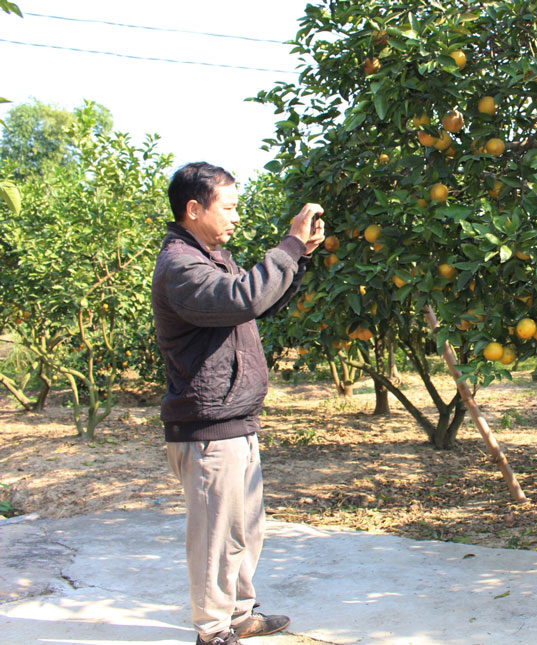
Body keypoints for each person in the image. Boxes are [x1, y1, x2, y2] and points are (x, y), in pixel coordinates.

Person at [152, 162, 325, 644]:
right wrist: (287, 246)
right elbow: (243, 298)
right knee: (215, 539)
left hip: (235, 420)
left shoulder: (210, 256)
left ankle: (240, 612)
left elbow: (258, 299)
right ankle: (212, 630)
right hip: (207, 427)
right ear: (194, 208)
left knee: (243, 531)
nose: (235, 217)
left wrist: (299, 258)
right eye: (227, 207)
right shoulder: (181, 267)